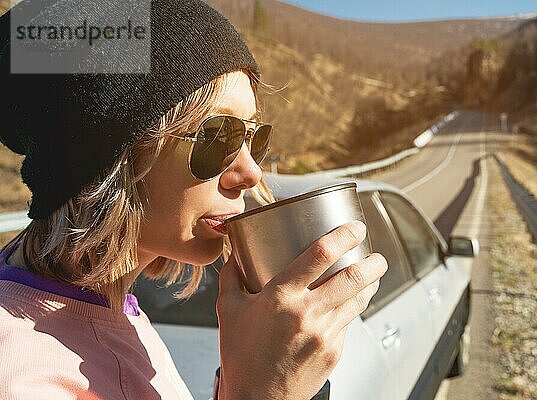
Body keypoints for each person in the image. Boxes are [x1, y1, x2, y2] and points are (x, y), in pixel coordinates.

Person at [0, 1, 388, 399]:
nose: (251, 172)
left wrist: (268, 371)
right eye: (218, 136)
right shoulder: (22, 375)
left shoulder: (115, 311)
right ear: (110, 156)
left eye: (252, 137)